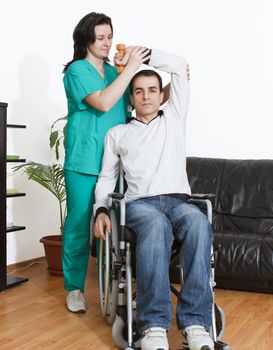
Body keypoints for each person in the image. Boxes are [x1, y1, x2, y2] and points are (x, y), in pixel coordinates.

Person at [94, 49, 214, 350]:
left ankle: (197, 322)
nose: (146, 96)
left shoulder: (174, 118)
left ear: (162, 96)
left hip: (178, 202)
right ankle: (154, 326)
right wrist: (100, 210)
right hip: (140, 205)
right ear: (131, 98)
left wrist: (140, 52)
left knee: (198, 222)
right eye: (138, 91)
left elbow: (179, 65)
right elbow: (107, 179)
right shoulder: (117, 133)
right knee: (155, 224)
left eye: (152, 90)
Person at [62, 11, 151, 313]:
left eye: (109, 36)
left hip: (115, 163)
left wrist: (172, 86)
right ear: (86, 39)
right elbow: (103, 102)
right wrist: (129, 70)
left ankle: (106, 285)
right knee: (77, 225)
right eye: (100, 37)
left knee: (109, 227)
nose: (106, 42)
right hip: (84, 161)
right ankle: (74, 288)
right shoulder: (77, 71)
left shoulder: (115, 72)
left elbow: (138, 101)